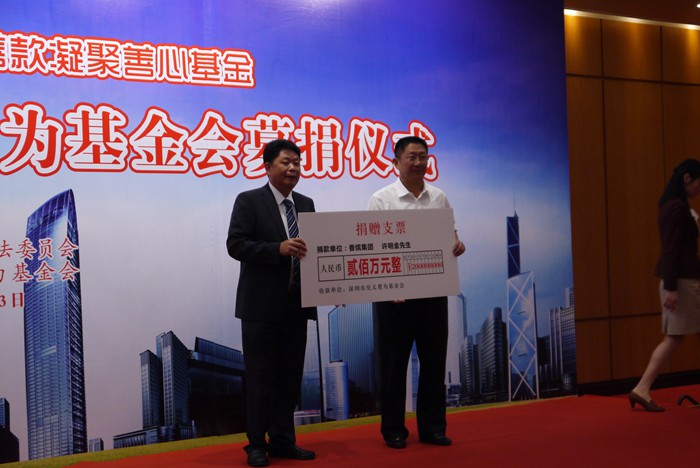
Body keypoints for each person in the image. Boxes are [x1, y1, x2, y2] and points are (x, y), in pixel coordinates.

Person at [368, 136, 466, 448]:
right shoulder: (382, 199)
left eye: (423, 156)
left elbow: (451, 235)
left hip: (433, 293)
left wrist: (457, 245)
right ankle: (393, 430)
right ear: (396, 162)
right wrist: (389, 286)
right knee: (394, 366)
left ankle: (433, 428)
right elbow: (373, 250)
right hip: (394, 298)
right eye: (412, 156)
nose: (419, 162)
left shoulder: (438, 196)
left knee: (434, 364)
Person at [227, 139, 317, 467]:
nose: (293, 168)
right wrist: (276, 249)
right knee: (260, 378)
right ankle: (255, 444)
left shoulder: (306, 204)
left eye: (297, 163)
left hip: (297, 304)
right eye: (286, 162)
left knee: (289, 378)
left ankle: (283, 441)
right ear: (267, 166)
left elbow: (317, 251)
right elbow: (236, 245)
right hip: (260, 307)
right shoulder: (249, 200)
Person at [629, 159, 700, 412]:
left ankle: (642, 388)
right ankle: (642, 388)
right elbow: (671, 250)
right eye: (698, 183)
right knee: (673, 338)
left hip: (681, 281)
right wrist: (671, 288)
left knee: (674, 338)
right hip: (682, 283)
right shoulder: (677, 208)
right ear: (687, 178)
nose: (699, 189)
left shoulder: (672, 206)